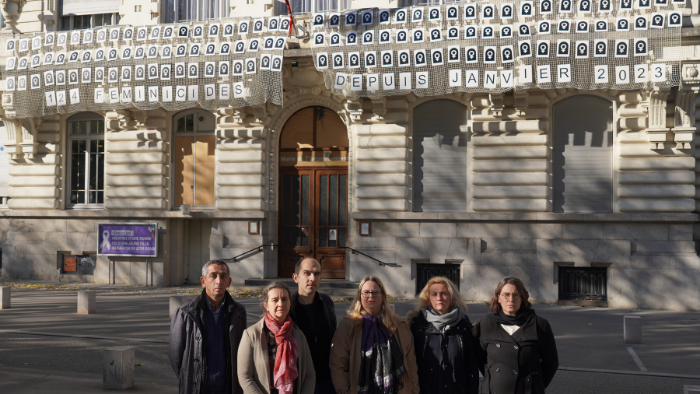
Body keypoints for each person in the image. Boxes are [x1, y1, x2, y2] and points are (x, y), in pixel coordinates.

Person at [330, 276, 419, 394]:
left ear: (382, 295)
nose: (370, 296)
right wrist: (345, 391)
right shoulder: (348, 325)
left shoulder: (398, 324)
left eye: (375, 292)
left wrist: (414, 390)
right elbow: (338, 364)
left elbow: (411, 362)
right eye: (366, 292)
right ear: (359, 296)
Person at [169, 260, 247, 394]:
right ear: (203, 281)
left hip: (227, 386)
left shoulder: (238, 313)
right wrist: (190, 378)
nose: (218, 281)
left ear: (229, 282)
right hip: (197, 387)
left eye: (223, 276)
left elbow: (242, 351)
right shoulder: (186, 312)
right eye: (213, 276)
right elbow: (175, 355)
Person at [474, 277, 559, 394]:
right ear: (498, 298)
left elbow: (551, 362)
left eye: (516, 295)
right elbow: (480, 360)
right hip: (495, 390)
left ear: (522, 298)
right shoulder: (486, 324)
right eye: (506, 295)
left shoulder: (539, 324)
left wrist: (535, 385)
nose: (511, 299)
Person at [238, 281, 316, 394]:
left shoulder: (298, 335)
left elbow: (309, 375)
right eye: (275, 300)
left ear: (290, 303)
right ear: (266, 305)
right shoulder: (251, 335)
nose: (281, 304)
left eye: (285, 299)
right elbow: (245, 377)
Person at [406, 277, 479, 394]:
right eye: (434, 294)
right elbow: (410, 365)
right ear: (428, 298)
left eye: (444, 293)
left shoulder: (464, 325)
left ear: (451, 296)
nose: (439, 298)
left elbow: (471, 366)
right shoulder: (418, 325)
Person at [289, 257, 337, 394]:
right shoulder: (288, 307)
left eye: (317, 274)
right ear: (295, 277)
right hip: (300, 381)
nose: (312, 278)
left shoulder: (326, 303)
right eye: (307, 273)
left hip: (327, 380)